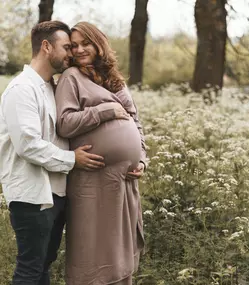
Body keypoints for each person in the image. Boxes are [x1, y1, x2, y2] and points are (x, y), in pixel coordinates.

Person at [0, 21, 105, 285]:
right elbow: (28, 145)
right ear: (46, 46)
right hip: (32, 196)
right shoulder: (22, 89)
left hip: (56, 193)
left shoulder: (51, 87)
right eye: (66, 47)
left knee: (44, 266)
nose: (71, 53)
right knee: (30, 270)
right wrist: (73, 159)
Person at [55, 21, 147, 285]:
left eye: (86, 43)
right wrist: (105, 111)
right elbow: (65, 122)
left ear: (99, 44)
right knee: (92, 248)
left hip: (124, 180)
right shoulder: (71, 77)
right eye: (74, 45)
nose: (80, 49)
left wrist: (141, 159)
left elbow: (136, 123)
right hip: (92, 179)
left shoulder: (115, 80)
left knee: (120, 248)